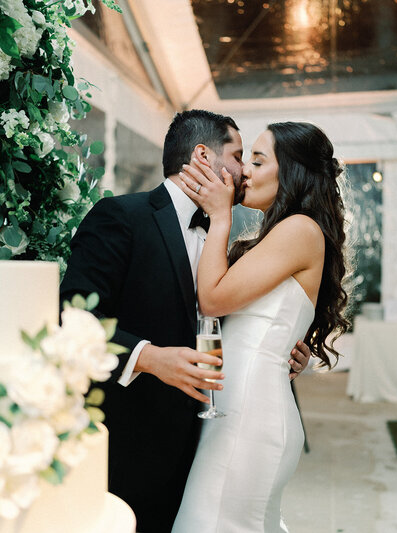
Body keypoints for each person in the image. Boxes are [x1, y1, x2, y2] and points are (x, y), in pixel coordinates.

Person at [60, 111, 311, 533]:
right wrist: (148, 357)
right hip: (132, 445)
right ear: (202, 156)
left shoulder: (220, 237)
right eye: (237, 156)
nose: (244, 173)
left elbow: (226, 317)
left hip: (205, 446)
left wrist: (276, 346)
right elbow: (73, 316)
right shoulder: (122, 216)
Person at [172, 121, 349, 533]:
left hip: (251, 415)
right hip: (240, 407)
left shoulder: (300, 229)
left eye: (257, 159)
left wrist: (220, 217)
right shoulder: (283, 233)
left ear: (291, 172)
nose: (244, 171)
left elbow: (212, 299)